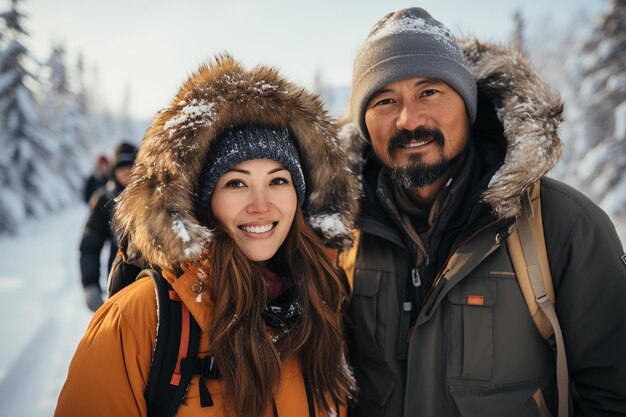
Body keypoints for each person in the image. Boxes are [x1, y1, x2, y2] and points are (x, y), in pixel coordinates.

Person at [338, 7, 626, 417]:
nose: (409, 119)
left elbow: (614, 395)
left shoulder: (563, 226)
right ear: (365, 122)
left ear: (468, 104)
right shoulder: (341, 237)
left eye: (429, 92)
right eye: (385, 100)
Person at [55, 55, 358, 417]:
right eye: (236, 183)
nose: (261, 205)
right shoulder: (141, 319)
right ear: (202, 200)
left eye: (278, 180)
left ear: (300, 194)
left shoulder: (325, 296)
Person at [79, 142, 137, 311]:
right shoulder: (104, 200)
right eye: (120, 169)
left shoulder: (155, 196)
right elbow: (90, 245)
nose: (125, 173)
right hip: (119, 280)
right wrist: (90, 283)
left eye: (130, 167)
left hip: (156, 283)